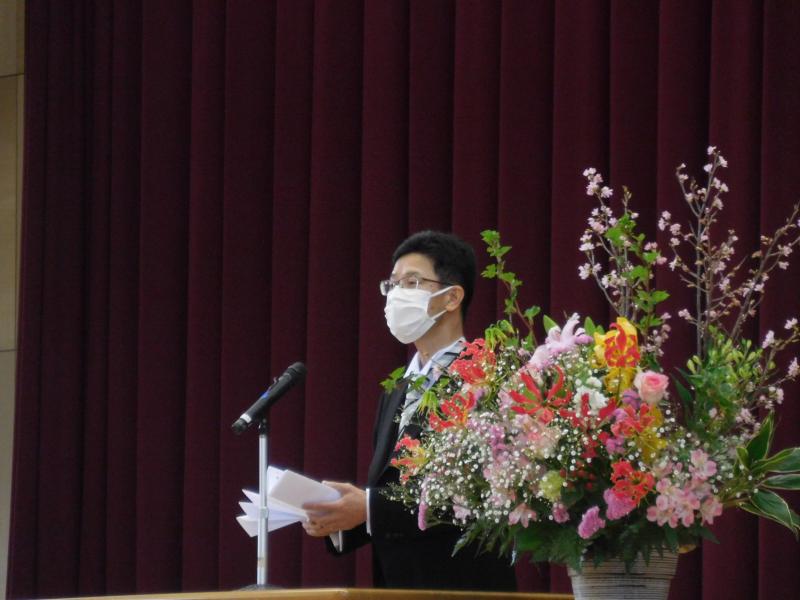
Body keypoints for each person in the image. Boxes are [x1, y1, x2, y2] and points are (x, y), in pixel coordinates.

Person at [302, 230, 517, 591]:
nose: (397, 294)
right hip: (398, 587)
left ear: (452, 297)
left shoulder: (487, 377)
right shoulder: (397, 389)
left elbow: (476, 496)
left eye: (412, 282)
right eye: (392, 284)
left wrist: (368, 507)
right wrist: (339, 518)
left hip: (466, 587)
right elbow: (392, 492)